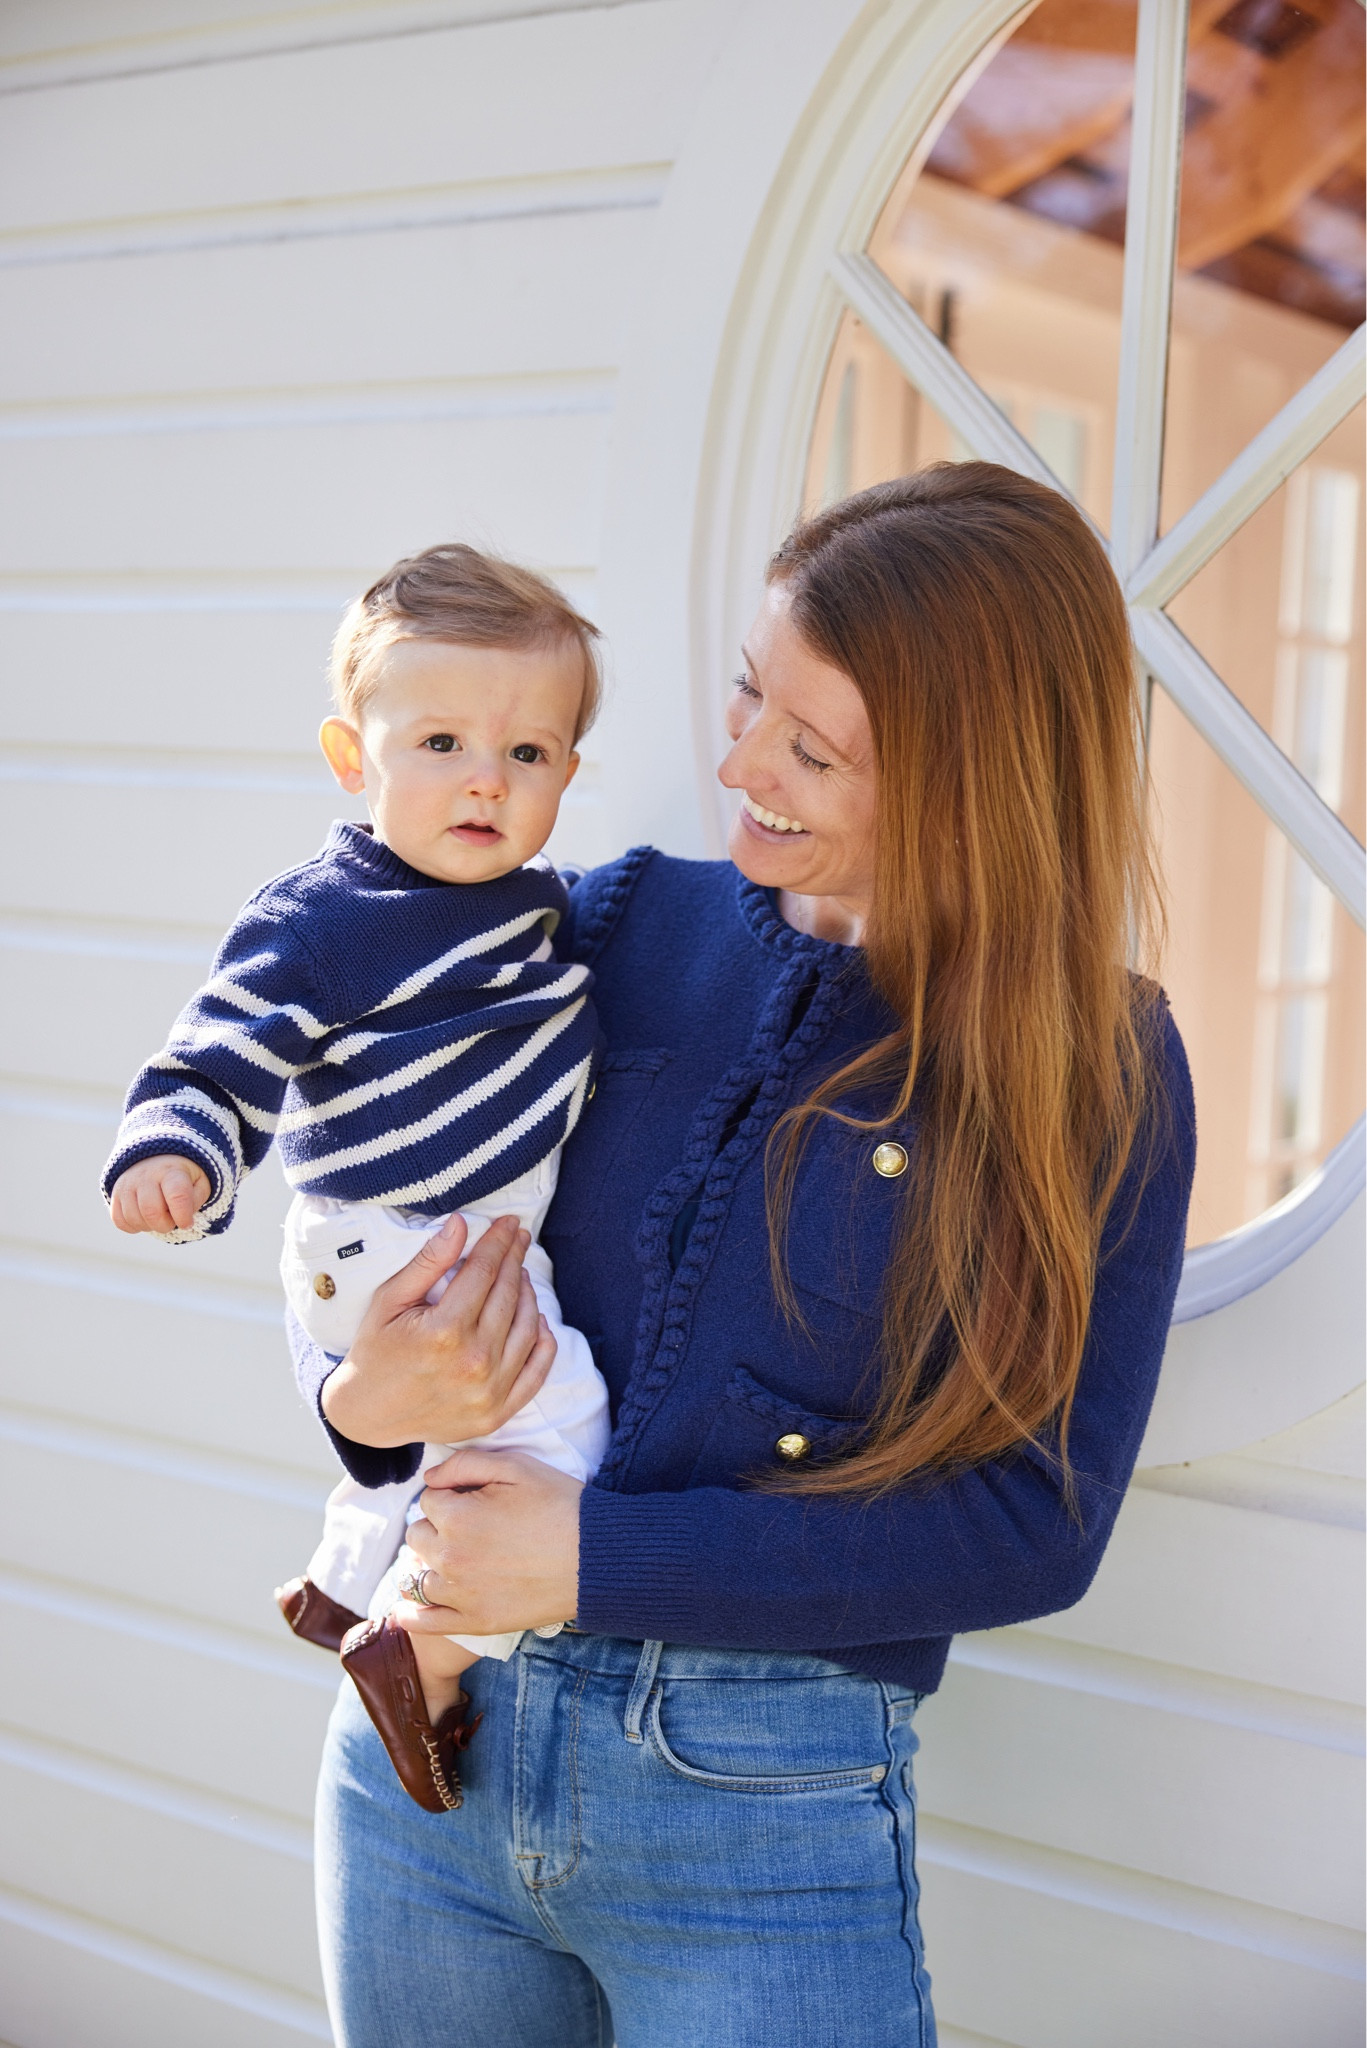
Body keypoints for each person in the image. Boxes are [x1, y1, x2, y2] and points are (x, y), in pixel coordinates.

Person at [297, 465, 1196, 2048]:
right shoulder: (613, 923)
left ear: (966, 778)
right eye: (743, 700)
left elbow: (1031, 1523)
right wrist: (359, 1399)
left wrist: (597, 1561)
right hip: (422, 1773)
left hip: (760, 1823)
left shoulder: (1096, 1065)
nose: (737, 765)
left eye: (809, 747)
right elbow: (372, 1171)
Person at [101, 544, 612, 1813]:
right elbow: (218, 1049)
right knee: (562, 1429)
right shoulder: (329, 913)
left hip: (460, 1231)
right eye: (440, 741)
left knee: (448, 1429)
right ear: (352, 759)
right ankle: (423, 1648)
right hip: (387, 1237)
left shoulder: (530, 902)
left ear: (566, 772)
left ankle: (341, 1579)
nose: (486, 779)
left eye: (529, 754)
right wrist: (176, 1150)